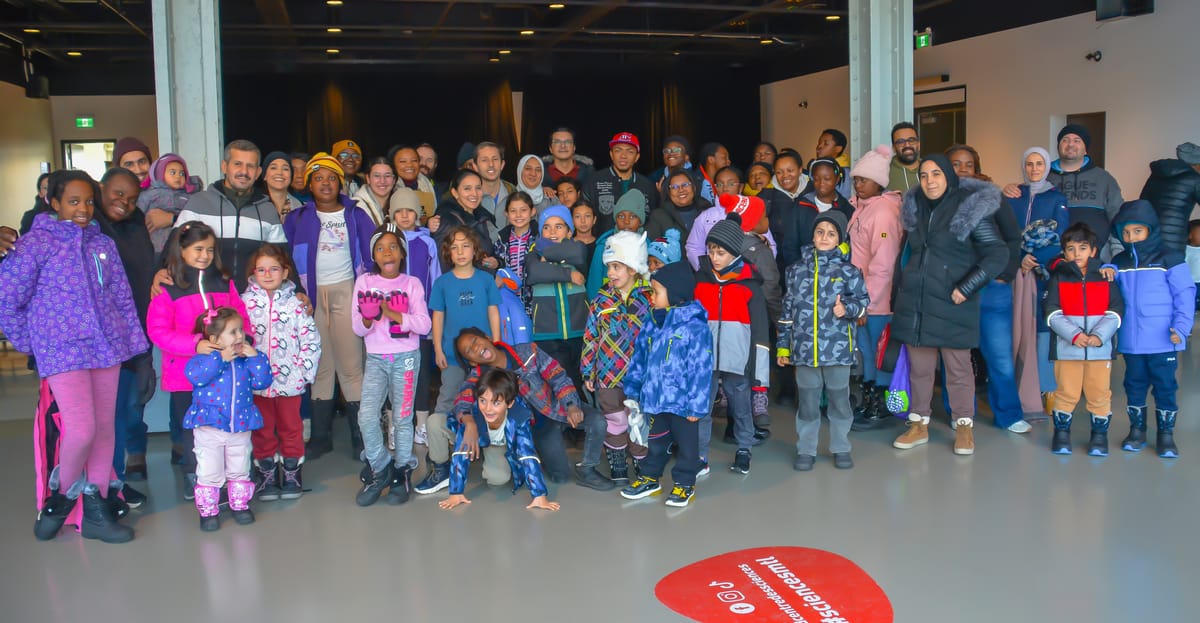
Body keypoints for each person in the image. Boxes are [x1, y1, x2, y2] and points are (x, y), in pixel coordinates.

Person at [1, 170, 147, 543]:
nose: (82, 209)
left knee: (103, 430)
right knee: (80, 429)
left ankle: (97, 511)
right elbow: (7, 298)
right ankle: (60, 499)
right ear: (53, 202)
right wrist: (32, 343)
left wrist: (132, 343)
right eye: (73, 202)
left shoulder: (103, 244)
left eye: (87, 202)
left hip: (106, 348)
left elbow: (121, 297)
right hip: (63, 351)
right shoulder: (35, 244)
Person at [890, 155, 1008, 456]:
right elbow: (908, 256)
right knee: (920, 369)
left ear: (949, 177)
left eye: (937, 174)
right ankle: (918, 425)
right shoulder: (914, 209)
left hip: (954, 304)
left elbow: (997, 254)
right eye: (925, 175)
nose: (930, 181)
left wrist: (966, 288)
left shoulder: (967, 209)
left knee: (958, 370)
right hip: (916, 303)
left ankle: (964, 428)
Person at [283, 153, 377, 460]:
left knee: (351, 366)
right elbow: (285, 260)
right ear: (309, 184)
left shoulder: (356, 214)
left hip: (347, 291)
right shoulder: (297, 217)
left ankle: (360, 435)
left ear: (341, 183)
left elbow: (371, 254)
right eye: (319, 178)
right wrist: (296, 291)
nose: (325, 183)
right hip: (310, 296)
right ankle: (321, 437)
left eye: (332, 177)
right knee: (320, 366)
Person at [147, 221, 252, 492]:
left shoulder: (223, 281)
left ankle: (228, 475)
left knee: (220, 423)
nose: (204, 255)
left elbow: (240, 313)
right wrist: (195, 344)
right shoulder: (168, 285)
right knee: (190, 426)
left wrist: (245, 338)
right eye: (197, 249)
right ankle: (193, 474)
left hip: (222, 373)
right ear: (181, 250)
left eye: (209, 249)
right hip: (184, 374)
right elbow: (157, 331)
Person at [442, 330, 613, 491]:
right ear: (472, 361)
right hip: (538, 426)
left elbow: (557, 375)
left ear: (487, 337)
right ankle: (540, 453)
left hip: (559, 406)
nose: (476, 348)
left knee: (597, 421)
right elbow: (462, 401)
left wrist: (571, 405)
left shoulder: (527, 351)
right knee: (560, 477)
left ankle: (588, 469)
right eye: (469, 351)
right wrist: (468, 421)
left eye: (475, 341)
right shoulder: (480, 376)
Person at [944, 144, 1029, 434]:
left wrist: (1005, 273)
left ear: (976, 167)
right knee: (954, 357)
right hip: (955, 291)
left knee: (1000, 356)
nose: (963, 169)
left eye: (968, 164)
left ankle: (1008, 415)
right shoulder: (940, 200)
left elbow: (1013, 239)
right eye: (956, 164)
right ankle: (957, 412)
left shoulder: (994, 197)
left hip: (993, 289)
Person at [778, 210, 868, 471]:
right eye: (820, 232)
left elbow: (863, 304)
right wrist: (784, 346)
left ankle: (841, 447)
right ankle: (806, 449)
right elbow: (786, 312)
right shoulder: (796, 272)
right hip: (805, 351)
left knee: (840, 402)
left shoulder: (849, 271)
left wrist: (847, 309)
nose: (824, 237)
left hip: (838, 352)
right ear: (813, 236)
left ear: (839, 239)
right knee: (807, 402)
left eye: (831, 233)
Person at [619, 261, 713, 507]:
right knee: (656, 442)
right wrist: (634, 390)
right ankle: (650, 478)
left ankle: (684, 484)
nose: (652, 297)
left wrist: (696, 406)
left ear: (676, 294)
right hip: (654, 399)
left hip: (683, 404)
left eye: (657, 292)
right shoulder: (652, 322)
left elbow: (701, 369)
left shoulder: (695, 327)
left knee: (687, 446)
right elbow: (639, 357)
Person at [351, 223, 432, 507]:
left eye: (393, 247)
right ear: (374, 254)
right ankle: (381, 466)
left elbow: (424, 324)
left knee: (401, 417)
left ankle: (403, 470)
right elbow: (358, 329)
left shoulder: (412, 284)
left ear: (402, 253)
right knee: (367, 416)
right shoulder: (363, 283)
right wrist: (368, 317)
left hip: (406, 357)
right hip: (375, 358)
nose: (387, 252)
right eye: (381, 248)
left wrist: (394, 314)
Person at [1111, 200, 1195, 458]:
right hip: (1132, 341)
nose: (1131, 237)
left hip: (1163, 339)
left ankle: (1165, 435)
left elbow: (1185, 293)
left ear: (1151, 229)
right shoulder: (1119, 261)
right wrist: (1105, 271)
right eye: (1125, 232)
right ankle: (1137, 431)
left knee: (1165, 386)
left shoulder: (1169, 258)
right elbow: (1111, 293)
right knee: (1133, 385)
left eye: (1137, 231)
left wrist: (1181, 328)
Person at [93, 168, 156, 499]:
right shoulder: (87, 223)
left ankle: (114, 483)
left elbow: (145, 276)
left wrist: (144, 348)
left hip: (132, 336)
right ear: (100, 189)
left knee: (125, 412)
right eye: (117, 194)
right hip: (96, 341)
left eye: (131, 198)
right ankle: (99, 487)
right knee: (99, 420)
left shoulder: (136, 224)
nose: (124, 203)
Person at [243, 244, 320, 501]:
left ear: (285, 272)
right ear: (253, 273)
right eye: (262, 269)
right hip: (257, 385)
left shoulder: (296, 304)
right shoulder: (245, 303)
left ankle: (291, 471)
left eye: (274, 269)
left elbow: (311, 340)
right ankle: (266, 473)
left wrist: (304, 374)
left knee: (291, 428)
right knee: (262, 430)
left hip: (290, 382)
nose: (267, 274)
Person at [184, 307, 272, 531]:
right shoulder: (202, 359)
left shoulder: (245, 361)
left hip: (240, 425)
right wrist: (220, 358)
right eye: (233, 332)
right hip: (209, 427)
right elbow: (196, 376)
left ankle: (240, 505)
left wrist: (255, 356)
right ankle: (208, 511)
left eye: (241, 330)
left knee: (239, 465)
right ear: (214, 339)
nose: (240, 336)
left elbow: (263, 381)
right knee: (209, 470)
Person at [696, 217, 772, 474]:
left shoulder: (750, 285)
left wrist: (760, 373)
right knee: (702, 407)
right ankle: (699, 456)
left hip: (738, 360)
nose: (714, 257)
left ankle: (744, 449)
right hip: (705, 359)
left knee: (741, 406)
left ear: (735, 252)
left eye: (721, 252)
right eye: (711, 250)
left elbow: (761, 331)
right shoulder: (701, 281)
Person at [1043, 223, 1123, 456]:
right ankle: (1061, 435)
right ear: (1064, 252)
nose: (1077, 254)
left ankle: (1099, 438)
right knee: (1066, 392)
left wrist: (1099, 336)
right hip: (1067, 350)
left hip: (1100, 351)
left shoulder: (1106, 277)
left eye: (1083, 248)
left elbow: (1116, 310)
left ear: (1094, 251)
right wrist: (1075, 335)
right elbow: (1051, 311)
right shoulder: (1058, 277)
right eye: (1071, 249)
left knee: (1099, 393)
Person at [580, 231, 653, 483]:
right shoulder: (601, 299)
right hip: (608, 374)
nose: (611, 273)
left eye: (616, 267)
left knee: (639, 419)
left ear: (633, 268)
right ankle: (618, 461)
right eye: (609, 267)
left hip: (640, 375)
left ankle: (642, 461)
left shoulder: (650, 296)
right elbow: (591, 337)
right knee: (615, 419)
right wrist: (588, 370)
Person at [170, 139, 289, 291]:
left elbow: (283, 258)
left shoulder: (267, 210)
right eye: (237, 164)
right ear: (224, 166)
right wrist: (161, 272)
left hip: (254, 302)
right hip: (206, 297)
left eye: (250, 166)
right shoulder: (198, 203)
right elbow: (173, 248)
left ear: (258, 172)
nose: (244, 172)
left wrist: (298, 290)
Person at [437, 369, 561, 512]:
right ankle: (441, 468)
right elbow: (460, 452)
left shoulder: (519, 417)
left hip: (499, 445)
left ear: (509, 403)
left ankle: (487, 455)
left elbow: (527, 454)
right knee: (438, 425)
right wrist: (456, 492)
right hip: (477, 437)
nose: (488, 408)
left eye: (496, 403)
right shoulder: (473, 413)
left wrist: (539, 495)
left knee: (498, 479)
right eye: (483, 400)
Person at [844, 146, 904, 431]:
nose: (858, 184)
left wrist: (866, 303)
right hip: (861, 297)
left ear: (879, 182)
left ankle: (879, 406)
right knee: (866, 351)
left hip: (875, 301)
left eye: (864, 180)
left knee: (877, 353)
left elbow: (883, 263)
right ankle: (870, 400)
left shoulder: (883, 213)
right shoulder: (862, 207)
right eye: (856, 179)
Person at [427, 226, 501, 450]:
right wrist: (438, 349)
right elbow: (438, 318)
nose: (460, 252)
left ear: (475, 250)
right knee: (448, 397)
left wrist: (497, 345)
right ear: (448, 252)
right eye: (454, 247)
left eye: (465, 246)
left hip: (484, 355)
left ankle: (486, 444)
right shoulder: (442, 283)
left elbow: (493, 312)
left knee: (487, 397)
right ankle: (442, 447)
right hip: (452, 355)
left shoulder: (486, 280)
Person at [1003, 125, 1124, 259]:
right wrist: (1011, 188)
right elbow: (1027, 202)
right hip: (1049, 255)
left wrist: (1117, 251)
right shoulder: (1044, 174)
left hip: (1096, 254)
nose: (1070, 144)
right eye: (1065, 140)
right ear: (1058, 146)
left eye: (1077, 140)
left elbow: (1118, 216)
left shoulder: (1103, 177)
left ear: (1085, 149)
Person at [1011, 147, 1070, 418]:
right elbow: (1007, 233)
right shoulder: (1014, 195)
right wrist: (1020, 258)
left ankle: (1046, 388)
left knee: (1043, 327)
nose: (1034, 169)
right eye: (1029, 164)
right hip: (1017, 273)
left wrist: (1035, 259)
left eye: (1039, 164)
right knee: (1019, 328)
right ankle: (1018, 386)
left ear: (1047, 167)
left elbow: (1061, 237)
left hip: (1044, 274)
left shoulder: (1056, 197)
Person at [718, 194, 780, 433]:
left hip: (729, 315)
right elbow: (771, 285)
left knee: (730, 355)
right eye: (764, 216)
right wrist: (778, 318)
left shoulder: (724, 247)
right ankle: (758, 402)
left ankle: (726, 398)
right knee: (758, 356)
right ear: (752, 222)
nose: (767, 220)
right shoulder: (760, 251)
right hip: (756, 315)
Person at [390, 188, 442, 443]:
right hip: (390, 323)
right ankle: (395, 426)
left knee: (420, 375)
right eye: (398, 211)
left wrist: (433, 319)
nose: (404, 216)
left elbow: (435, 279)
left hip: (420, 321)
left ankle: (421, 424)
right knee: (393, 374)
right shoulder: (386, 240)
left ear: (418, 214)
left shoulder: (426, 241)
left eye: (409, 210)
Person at [526, 205, 590, 393]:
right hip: (548, 332)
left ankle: (581, 419)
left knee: (579, 379)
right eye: (546, 227)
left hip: (579, 329)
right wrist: (568, 275)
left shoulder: (578, 248)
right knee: (560, 381)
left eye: (559, 226)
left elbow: (577, 254)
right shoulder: (532, 254)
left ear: (570, 231)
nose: (552, 231)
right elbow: (535, 272)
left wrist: (545, 255)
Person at [584, 132, 657, 233]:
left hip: (638, 245)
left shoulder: (647, 185)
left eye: (630, 151)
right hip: (603, 244)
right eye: (618, 150)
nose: (623, 156)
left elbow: (652, 220)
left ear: (637, 157)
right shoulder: (594, 181)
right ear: (611, 154)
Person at [1139, 142, 1200, 254]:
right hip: (1174, 238)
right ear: (1196, 164)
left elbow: (1142, 204)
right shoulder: (1195, 179)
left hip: (1150, 236)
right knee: (1173, 269)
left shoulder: (1155, 176)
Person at [433, 169, 500, 270]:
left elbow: (481, 258)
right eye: (467, 189)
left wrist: (496, 263)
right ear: (455, 193)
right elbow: (444, 264)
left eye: (478, 188)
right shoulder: (448, 220)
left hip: (483, 282)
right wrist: (492, 277)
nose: (474, 193)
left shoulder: (480, 216)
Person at [587, 189, 648, 297]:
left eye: (633, 216)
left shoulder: (649, 248)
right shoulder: (604, 246)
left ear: (641, 220)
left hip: (641, 308)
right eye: (621, 216)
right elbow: (594, 286)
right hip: (608, 309)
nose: (626, 221)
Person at [137, 153, 201, 256]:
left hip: (182, 246)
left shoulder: (189, 196)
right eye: (172, 172)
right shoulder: (150, 194)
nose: (178, 177)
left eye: (182, 174)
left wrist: (172, 219)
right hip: (155, 246)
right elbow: (138, 214)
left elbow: (196, 218)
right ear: (160, 173)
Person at [758, 151, 810, 274]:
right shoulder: (766, 197)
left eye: (790, 170)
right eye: (779, 172)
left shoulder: (815, 192)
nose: (785, 176)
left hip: (812, 264)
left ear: (800, 170)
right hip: (778, 266)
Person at [647, 169, 710, 241]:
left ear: (694, 188)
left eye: (685, 185)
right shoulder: (658, 216)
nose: (681, 190)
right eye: (674, 187)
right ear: (669, 192)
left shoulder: (708, 211)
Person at [495, 191, 537, 297]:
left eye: (523, 210)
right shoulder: (501, 241)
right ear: (506, 214)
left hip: (535, 300)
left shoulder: (539, 238)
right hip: (508, 298)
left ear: (532, 211)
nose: (518, 215)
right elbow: (494, 265)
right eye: (513, 211)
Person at [475, 142, 515, 230]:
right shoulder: (469, 198)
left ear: (502, 164)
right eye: (484, 160)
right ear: (475, 166)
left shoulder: (513, 193)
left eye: (495, 159)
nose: (491, 164)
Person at [352, 157, 395, 226]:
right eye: (377, 176)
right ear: (368, 179)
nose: (382, 181)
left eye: (387, 176)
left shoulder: (400, 203)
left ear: (394, 180)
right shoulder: (356, 207)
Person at [261, 151, 302, 222]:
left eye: (285, 169)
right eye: (273, 168)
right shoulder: (254, 206)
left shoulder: (300, 208)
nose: (279, 173)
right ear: (264, 176)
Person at [815, 128, 852, 198]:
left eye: (825, 144)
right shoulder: (815, 167)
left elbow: (845, 199)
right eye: (819, 143)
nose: (819, 146)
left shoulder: (845, 173)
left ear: (838, 149)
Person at [887, 122, 921, 192]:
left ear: (918, 145)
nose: (907, 145)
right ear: (894, 148)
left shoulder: (930, 167)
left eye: (911, 140)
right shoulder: (884, 171)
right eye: (900, 142)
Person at [572, 200, 600, 266]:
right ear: (572, 221)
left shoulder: (601, 245)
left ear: (594, 220)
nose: (583, 221)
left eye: (587, 216)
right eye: (577, 216)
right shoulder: (566, 245)